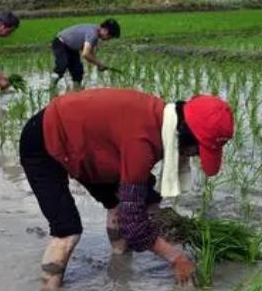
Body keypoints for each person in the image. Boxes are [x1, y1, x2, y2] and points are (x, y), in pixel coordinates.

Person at [19, 88, 234, 289]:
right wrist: (176, 257)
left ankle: (120, 270)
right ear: (186, 136)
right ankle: (49, 286)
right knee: (67, 230)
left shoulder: (163, 118)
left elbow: (131, 204)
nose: (195, 156)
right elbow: (132, 226)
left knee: (118, 202)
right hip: (42, 141)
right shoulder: (141, 144)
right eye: (198, 150)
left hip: (88, 142)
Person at [50, 19, 120, 89]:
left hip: (72, 48)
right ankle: (51, 88)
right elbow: (86, 54)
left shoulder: (95, 32)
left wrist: (99, 65)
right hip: (60, 43)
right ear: (105, 30)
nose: (108, 39)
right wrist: (99, 64)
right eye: (110, 37)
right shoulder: (93, 33)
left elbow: (90, 53)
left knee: (77, 70)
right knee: (62, 64)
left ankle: (77, 91)